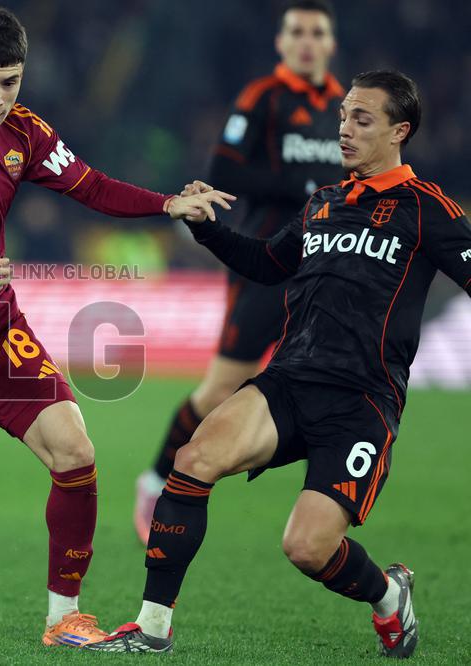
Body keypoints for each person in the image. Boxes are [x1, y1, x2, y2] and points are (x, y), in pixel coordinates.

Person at [0, 6, 232, 648]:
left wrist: (167, 204)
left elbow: (91, 186)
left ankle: (63, 618)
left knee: (76, 453)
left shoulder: (24, 133)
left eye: (10, 82)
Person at [87, 70, 468, 658]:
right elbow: (268, 263)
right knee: (193, 459)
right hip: (289, 381)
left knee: (307, 548)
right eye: (342, 115)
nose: (344, 129)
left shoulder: (428, 210)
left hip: (361, 401)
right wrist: (209, 230)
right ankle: (151, 628)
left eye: (361, 119)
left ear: (400, 131)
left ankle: (388, 595)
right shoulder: (324, 202)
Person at [134, 0, 346, 544]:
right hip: (264, 261)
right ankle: (156, 479)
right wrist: (302, 188)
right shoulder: (262, 98)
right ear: (281, 43)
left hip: (324, 265)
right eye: (296, 31)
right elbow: (222, 171)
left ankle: (324, 509)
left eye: (315, 32)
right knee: (221, 388)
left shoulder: (343, 106)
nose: (305, 41)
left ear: (329, 43)